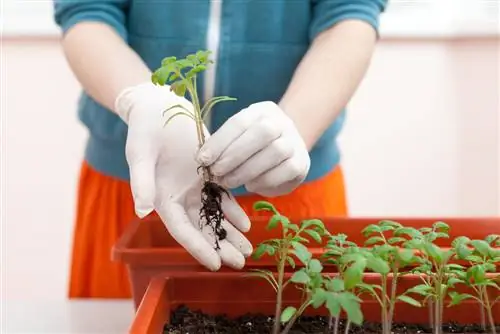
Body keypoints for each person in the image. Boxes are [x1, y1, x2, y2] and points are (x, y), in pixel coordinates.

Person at [53, 0, 387, 299]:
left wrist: (294, 128)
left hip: (290, 190)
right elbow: (87, 11)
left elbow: (349, 13)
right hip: (140, 186)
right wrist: (141, 97)